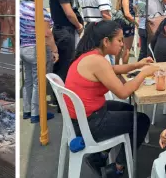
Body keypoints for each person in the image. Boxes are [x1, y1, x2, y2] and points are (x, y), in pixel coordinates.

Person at [64, 21, 157, 176]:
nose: (122, 44)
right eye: (119, 40)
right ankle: (117, 168)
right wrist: (144, 73)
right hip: (90, 124)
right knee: (141, 120)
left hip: (85, 117)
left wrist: (137, 65)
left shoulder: (91, 56)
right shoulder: (98, 61)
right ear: (106, 41)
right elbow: (123, 92)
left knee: (130, 110)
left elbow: (113, 69)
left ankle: (99, 157)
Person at [20, 0, 58, 123]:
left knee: (28, 80)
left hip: (23, 48)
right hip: (36, 49)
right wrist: (55, 51)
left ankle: (27, 110)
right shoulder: (40, 11)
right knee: (38, 82)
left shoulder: (20, 7)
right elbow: (47, 34)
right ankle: (37, 114)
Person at [48, 0, 83, 87]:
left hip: (62, 30)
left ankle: (59, 97)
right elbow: (69, 13)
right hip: (65, 31)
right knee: (65, 66)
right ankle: (61, 100)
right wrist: (79, 26)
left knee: (63, 65)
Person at [115, 0, 137, 65]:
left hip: (122, 25)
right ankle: (124, 68)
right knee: (127, 49)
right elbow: (127, 14)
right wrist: (135, 23)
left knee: (120, 48)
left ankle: (117, 66)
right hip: (128, 26)